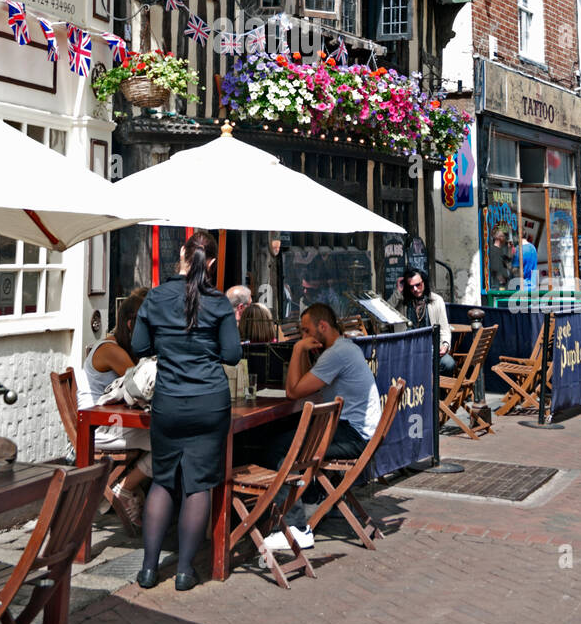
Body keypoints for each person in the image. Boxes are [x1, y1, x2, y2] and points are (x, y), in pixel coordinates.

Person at [132, 231, 241, 590]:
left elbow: (139, 346)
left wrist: (168, 344)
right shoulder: (219, 302)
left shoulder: (156, 296)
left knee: (163, 480)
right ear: (212, 263)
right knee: (198, 484)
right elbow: (232, 355)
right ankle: (183, 572)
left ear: (181, 254)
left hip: (169, 402)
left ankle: (148, 570)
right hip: (210, 402)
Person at [259, 303, 381, 552]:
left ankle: (296, 528)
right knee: (284, 440)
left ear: (322, 326)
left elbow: (293, 391)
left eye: (306, 331)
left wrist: (297, 349)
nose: (304, 336)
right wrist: (304, 351)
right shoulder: (345, 348)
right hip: (359, 432)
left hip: (354, 435)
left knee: (281, 450)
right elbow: (305, 384)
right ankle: (312, 497)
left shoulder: (335, 354)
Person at [78, 288, 153, 524]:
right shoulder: (111, 351)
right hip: (98, 429)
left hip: (109, 423)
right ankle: (125, 488)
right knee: (171, 442)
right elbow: (140, 384)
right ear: (131, 325)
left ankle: (128, 489)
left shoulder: (119, 346)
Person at [389, 267, 454, 374]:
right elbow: (386, 311)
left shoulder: (436, 300)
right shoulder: (401, 301)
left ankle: (433, 384)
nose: (415, 289)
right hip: (406, 350)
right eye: (411, 287)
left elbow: (444, 328)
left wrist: (445, 345)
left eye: (418, 285)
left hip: (430, 348)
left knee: (448, 363)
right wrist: (398, 292)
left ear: (424, 282)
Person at [488, 223, 515, 290]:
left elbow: (509, 260)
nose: (506, 238)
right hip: (498, 287)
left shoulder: (500, 251)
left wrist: (510, 248)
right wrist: (503, 280)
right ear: (499, 238)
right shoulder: (494, 250)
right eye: (505, 235)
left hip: (502, 286)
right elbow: (495, 268)